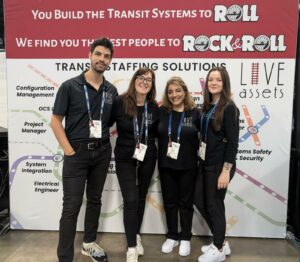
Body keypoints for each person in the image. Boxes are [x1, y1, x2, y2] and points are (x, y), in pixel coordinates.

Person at [51, 37, 118, 262]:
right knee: (71, 206)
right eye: (98, 54)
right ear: (90, 55)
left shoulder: (111, 90)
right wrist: (69, 150)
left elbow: (115, 121)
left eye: (107, 56)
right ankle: (65, 256)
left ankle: (88, 243)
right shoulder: (70, 86)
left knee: (95, 199)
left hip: (102, 152)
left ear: (110, 61)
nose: (102, 59)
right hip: (76, 153)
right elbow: (55, 121)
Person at [110, 67, 158, 262]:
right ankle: (131, 247)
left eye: (149, 79)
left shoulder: (153, 107)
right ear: (134, 80)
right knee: (130, 199)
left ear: (152, 85)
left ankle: (136, 235)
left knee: (140, 197)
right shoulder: (120, 102)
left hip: (147, 156)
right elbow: (105, 123)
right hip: (124, 156)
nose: (144, 81)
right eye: (141, 77)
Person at [194, 66, 239, 262]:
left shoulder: (229, 108)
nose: (214, 82)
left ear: (224, 83)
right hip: (205, 163)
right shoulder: (206, 106)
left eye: (218, 80)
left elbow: (233, 143)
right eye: (211, 79)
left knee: (214, 205)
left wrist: (225, 172)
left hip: (220, 166)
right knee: (199, 200)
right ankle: (221, 241)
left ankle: (219, 248)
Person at [157, 76, 199, 257]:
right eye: (170, 92)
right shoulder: (162, 112)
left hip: (188, 166)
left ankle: (185, 238)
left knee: (186, 203)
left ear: (185, 91)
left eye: (178, 90)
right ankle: (172, 236)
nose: (174, 95)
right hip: (166, 164)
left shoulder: (195, 113)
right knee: (170, 202)